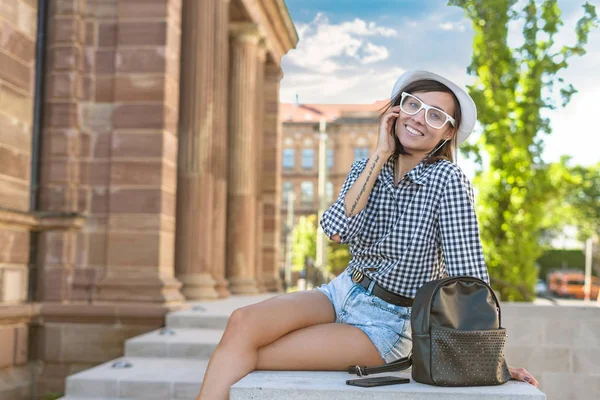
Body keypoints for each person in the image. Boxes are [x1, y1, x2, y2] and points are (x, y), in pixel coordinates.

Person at [196, 70, 538, 399]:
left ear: (448, 134)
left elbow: (469, 275)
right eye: (413, 105)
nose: (419, 118)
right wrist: (380, 153)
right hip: (343, 290)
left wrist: (489, 359)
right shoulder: (366, 167)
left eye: (436, 116)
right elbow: (336, 230)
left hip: (388, 323)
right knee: (242, 323)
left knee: (256, 352)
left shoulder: (447, 181)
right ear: (396, 110)